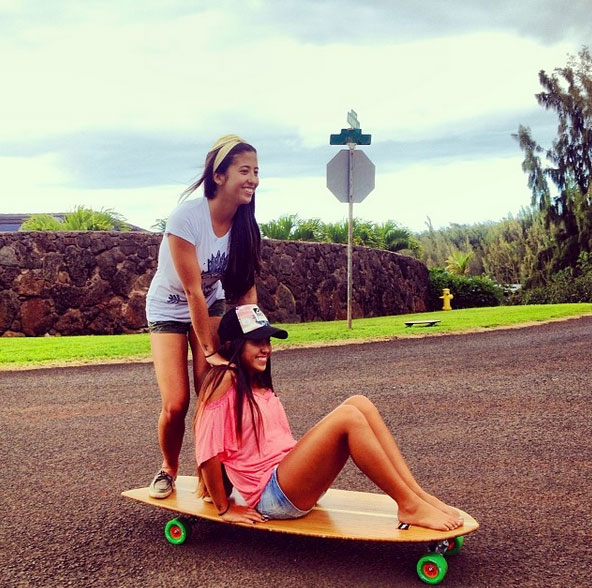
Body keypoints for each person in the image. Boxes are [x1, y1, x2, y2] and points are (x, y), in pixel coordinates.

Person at [193, 304, 465, 531]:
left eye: (267, 341)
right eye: (256, 342)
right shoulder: (224, 379)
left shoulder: (255, 381)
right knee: (348, 416)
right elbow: (207, 450)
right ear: (233, 345)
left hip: (290, 481)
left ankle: (417, 495)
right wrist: (224, 508)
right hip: (271, 496)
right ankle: (408, 506)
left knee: (360, 403)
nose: (265, 348)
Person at [146, 135, 262, 499]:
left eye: (257, 172)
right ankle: (169, 468)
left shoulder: (245, 225)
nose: (253, 179)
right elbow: (192, 289)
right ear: (219, 175)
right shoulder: (186, 217)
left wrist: (257, 337)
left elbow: (244, 290)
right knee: (177, 402)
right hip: (169, 307)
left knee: (212, 392)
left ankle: (209, 474)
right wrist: (210, 350)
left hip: (209, 304)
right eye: (245, 170)